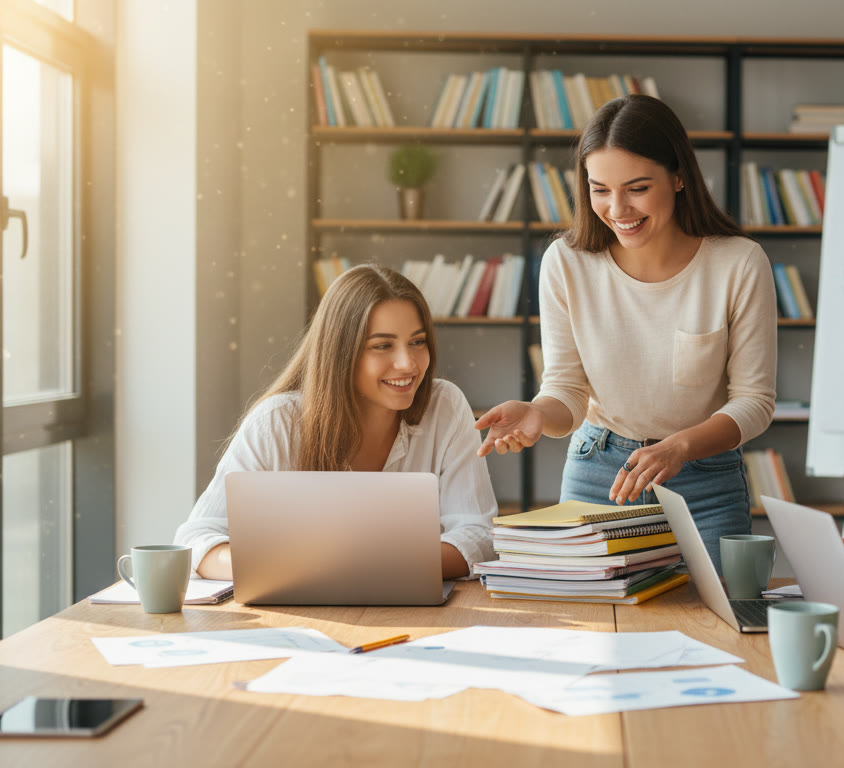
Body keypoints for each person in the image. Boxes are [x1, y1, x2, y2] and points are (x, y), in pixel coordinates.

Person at [473, 94, 776, 571]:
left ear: (679, 177)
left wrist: (680, 446)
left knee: (717, 631)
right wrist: (536, 412)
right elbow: (567, 392)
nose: (617, 209)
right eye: (600, 189)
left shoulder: (738, 263)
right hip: (600, 471)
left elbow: (755, 401)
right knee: (590, 636)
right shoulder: (566, 263)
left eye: (637, 188)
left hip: (705, 479)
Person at [174, 264, 497, 580]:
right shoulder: (277, 423)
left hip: (414, 609)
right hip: (298, 611)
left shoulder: (444, 405)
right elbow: (196, 539)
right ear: (340, 352)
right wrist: (285, 567)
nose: (407, 363)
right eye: (382, 346)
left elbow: (478, 534)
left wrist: (362, 567)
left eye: (417, 341)